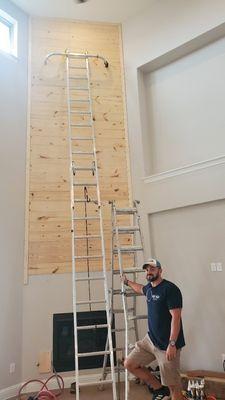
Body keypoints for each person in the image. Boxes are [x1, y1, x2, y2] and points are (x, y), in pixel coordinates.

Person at [122, 258, 185, 400]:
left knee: (174, 386)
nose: (149, 272)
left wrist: (172, 344)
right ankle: (159, 389)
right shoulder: (149, 288)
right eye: (146, 269)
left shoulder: (170, 289)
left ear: (160, 271)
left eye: (152, 269)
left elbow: (176, 317)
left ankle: (169, 391)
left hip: (167, 345)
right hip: (150, 340)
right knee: (129, 364)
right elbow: (140, 288)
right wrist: (127, 282)